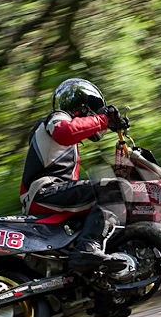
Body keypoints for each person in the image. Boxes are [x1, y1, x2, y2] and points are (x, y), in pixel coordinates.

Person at [20, 78, 131, 273]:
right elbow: (65, 132)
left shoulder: (58, 140)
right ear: (83, 107)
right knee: (113, 189)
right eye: (95, 110)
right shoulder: (57, 117)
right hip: (44, 192)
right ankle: (88, 249)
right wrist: (103, 120)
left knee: (107, 195)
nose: (98, 115)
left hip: (50, 192)